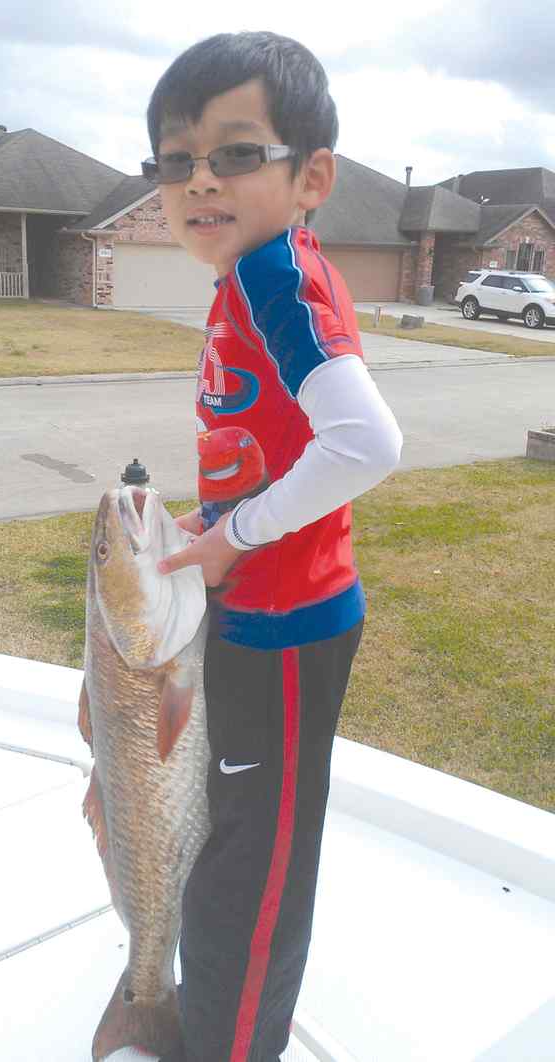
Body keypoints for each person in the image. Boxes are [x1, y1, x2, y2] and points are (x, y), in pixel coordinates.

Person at [142, 30, 403, 1062]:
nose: (201, 179)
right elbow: (276, 442)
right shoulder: (245, 276)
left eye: (237, 153)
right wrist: (220, 525)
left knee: (254, 870)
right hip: (252, 608)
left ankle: (232, 1047)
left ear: (312, 178)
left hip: (286, 625)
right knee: (230, 837)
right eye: (177, 160)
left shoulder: (275, 278)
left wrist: (238, 535)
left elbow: (366, 444)